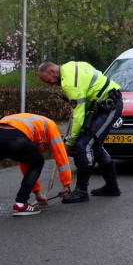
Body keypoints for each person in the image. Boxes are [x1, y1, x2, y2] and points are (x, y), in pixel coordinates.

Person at [38, 60, 123, 202]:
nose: (51, 85)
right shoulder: (70, 66)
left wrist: (68, 142)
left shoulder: (70, 82)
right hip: (102, 106)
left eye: (49, 81)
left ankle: (81, 191)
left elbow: (78, 115)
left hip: (109, 106)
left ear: (53, 71)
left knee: (84, 145)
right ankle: (111, 187)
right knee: (94, 145)